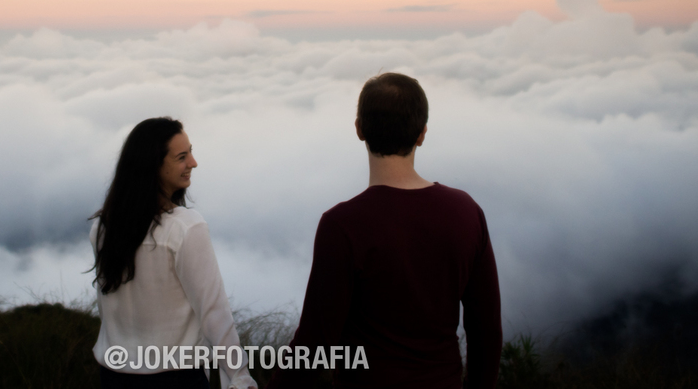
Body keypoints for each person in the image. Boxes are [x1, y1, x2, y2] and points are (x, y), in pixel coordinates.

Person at [268, 73, 502, 389]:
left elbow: (314, 344)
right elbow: (485, 330)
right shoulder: (466, 212)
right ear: (422, 134)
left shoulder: (342, 225)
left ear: (359, 129)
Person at [91, 117, 258, 389]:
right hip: (176, 377)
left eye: (191, 152)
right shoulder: (185, 228)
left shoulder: (103, 228)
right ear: (153, 166)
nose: (193, 162)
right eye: (182, 156)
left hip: (113, 375)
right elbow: (215, 314)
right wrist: (240, 378)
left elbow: (109, 309)